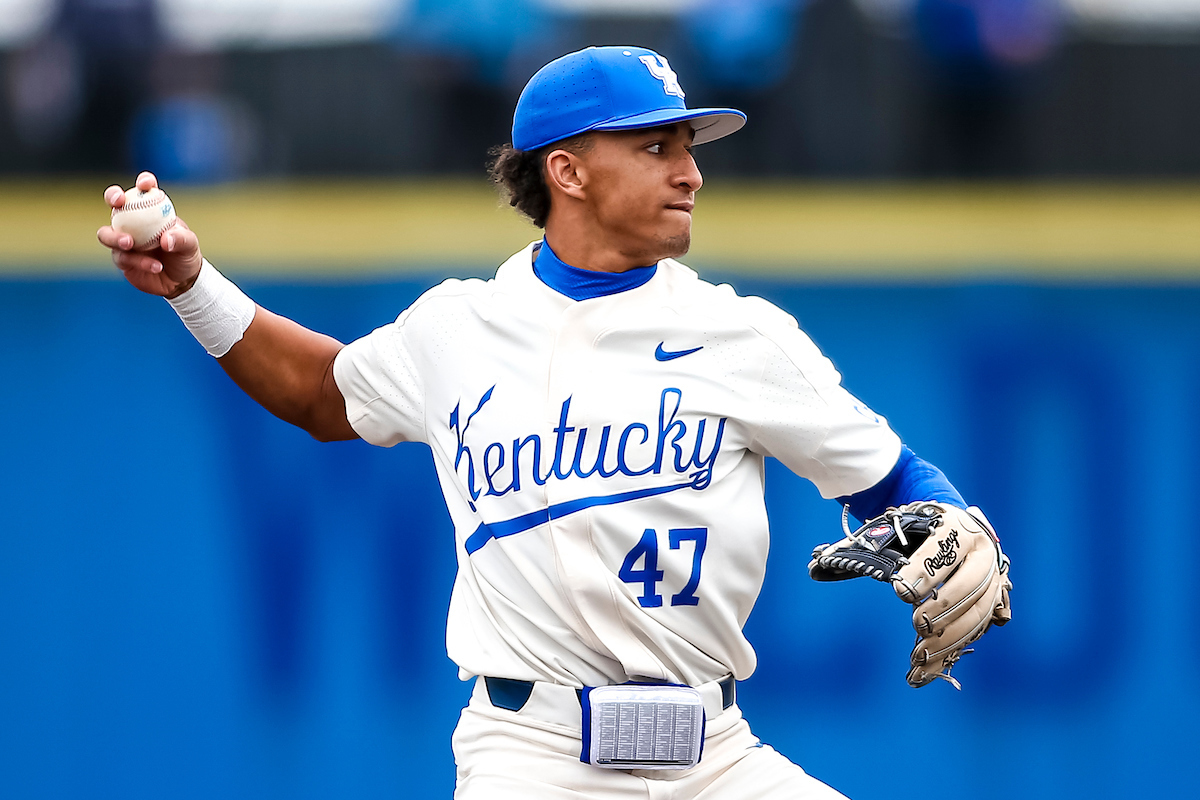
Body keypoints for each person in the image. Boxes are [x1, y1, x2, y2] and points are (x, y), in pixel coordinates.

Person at [99, 45, 1003, 800]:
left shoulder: (741, 335)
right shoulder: (457, 329)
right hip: (532, 757)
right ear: (566, 170)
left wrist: (956, 520)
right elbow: (319, 395)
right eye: (654, 146)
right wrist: (191, 286)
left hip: (716, 757)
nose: (689, 170)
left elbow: (895, 478)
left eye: (688, 146)